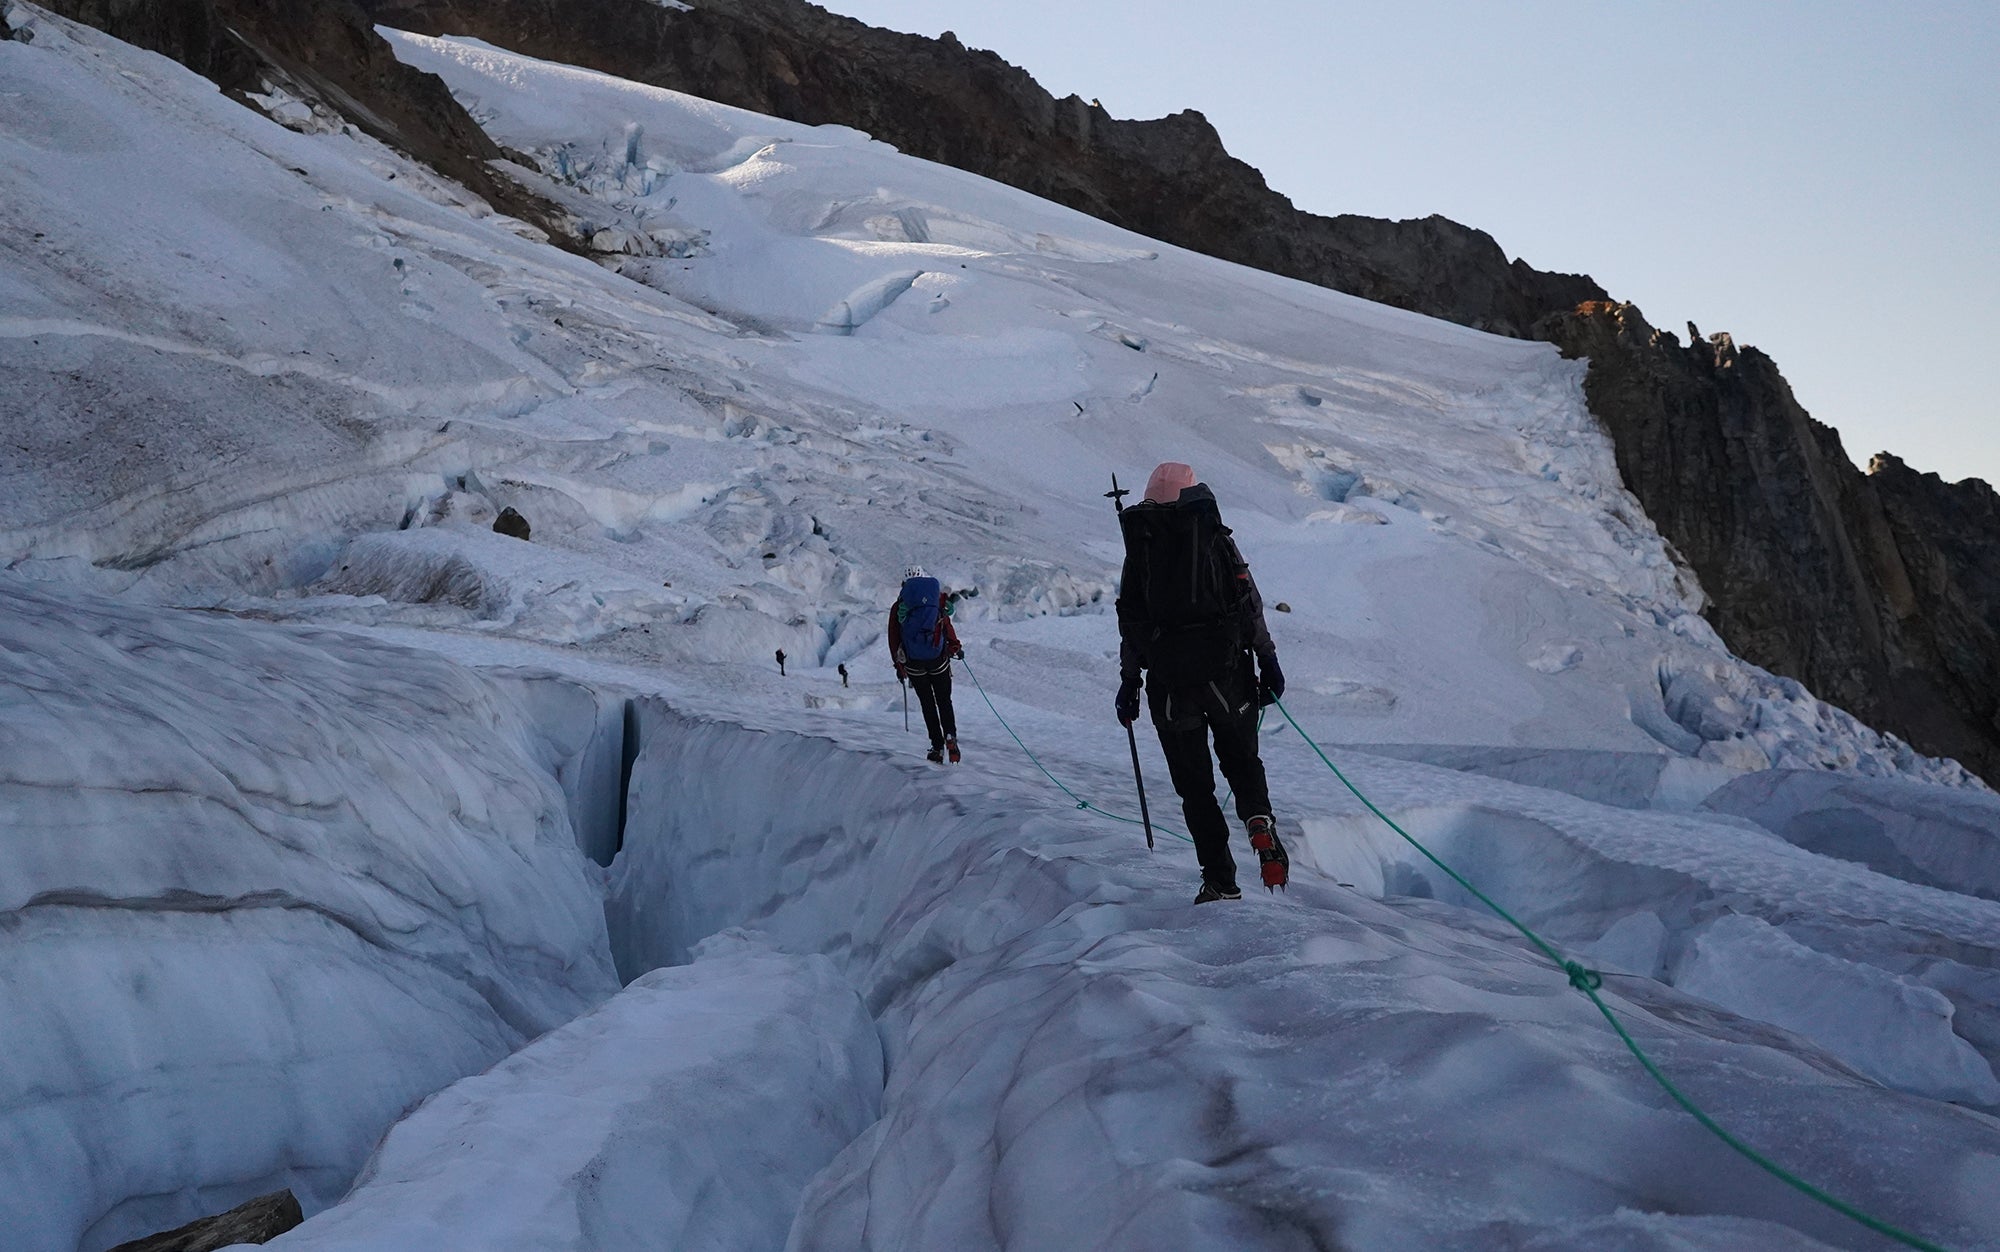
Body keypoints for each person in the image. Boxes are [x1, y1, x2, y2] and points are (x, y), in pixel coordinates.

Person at [1114, 462, 1288, 901]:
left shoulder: (1142, 544)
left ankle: (1220, 880)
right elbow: (1249, 604)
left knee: (1196, 789)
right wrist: (1268, 662)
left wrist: (1130, 681)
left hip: (1170, 689)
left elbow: (1131, 622)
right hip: (1226, 676)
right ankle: (1257, 820)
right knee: (1241, 760)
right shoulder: (1213, 536)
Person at [888, 565, 965, 764]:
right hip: (937, 659)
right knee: (944, 700)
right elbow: (945, 625)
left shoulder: (899, 606)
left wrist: (899, 665)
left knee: (927, 703)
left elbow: (894, 637)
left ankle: (937, 747)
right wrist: (955, 646)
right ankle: (950, 737)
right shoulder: (936, 600)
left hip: (914, 663)